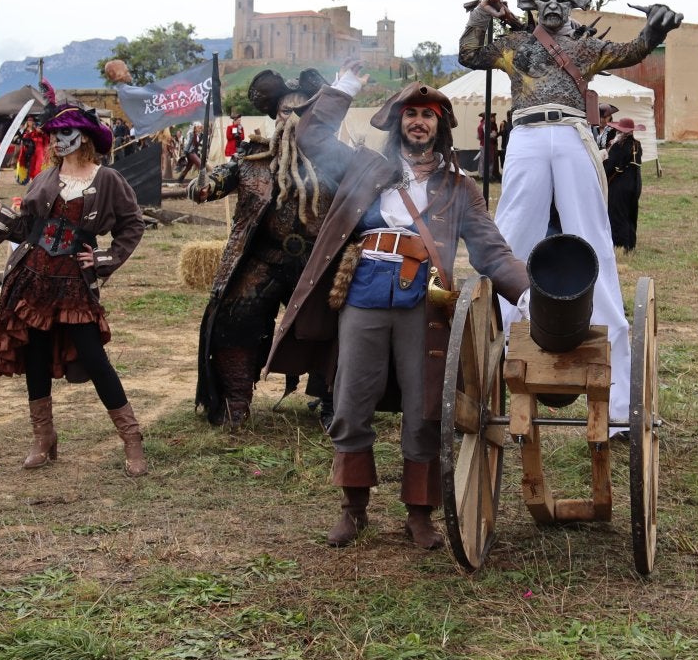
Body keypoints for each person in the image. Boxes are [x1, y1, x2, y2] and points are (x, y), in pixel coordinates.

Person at [261, 63, 529, 549]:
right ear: (397, 121)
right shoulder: (365, 166)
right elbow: (312, 134)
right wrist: (345, 86)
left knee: (424, 407)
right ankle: (353, 508)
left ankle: (419, 514)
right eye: (411, 113)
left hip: (423, 301)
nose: (419, 121)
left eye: (429, 115)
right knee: (349, 400)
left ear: (441, 127)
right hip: (361, 289)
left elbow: (492, 251)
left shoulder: (459, 188)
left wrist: (526, 292)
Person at [459, 0, 681, 431]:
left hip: (573, 132)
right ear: (531, 6)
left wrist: (655, 29)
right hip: (525, 135)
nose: (554, 7)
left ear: (575, 5)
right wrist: (482, 12)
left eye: (562, 0)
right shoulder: (514, 44)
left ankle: (620, 407)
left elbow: (632, 51)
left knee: (593, 240)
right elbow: (468, 54)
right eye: (544, 1)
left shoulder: (582, 49)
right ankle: (486, 362)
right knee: (508, 241)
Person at [0, 82, 148, 476]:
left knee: (94, 357)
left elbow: (132, 225)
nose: (56, 140)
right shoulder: (44, 178)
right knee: (35, 355)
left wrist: (104, 257)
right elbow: (24, 228)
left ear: (83, 137)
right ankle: (43, 438)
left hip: (73, 280)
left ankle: (132, 439)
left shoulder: (107, 179)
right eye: (52, 134)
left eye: (64, 133)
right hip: (33, 276)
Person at [188, 70, 330, 429]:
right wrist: (203, 185)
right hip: (264, 260)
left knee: (338, 324)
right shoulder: (253, 159)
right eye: (286, 111)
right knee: (234, 317)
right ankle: (235, 401)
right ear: (275, 116)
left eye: (303, 110)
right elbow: (219, 179)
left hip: (316, 264)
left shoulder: (336, 160)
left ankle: (333, 400)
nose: (294, 118)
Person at [603, 116, 645, 252]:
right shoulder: (637, 145)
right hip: (636, 182)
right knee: (631, 212)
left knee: (617, 212)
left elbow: (610, 167)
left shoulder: (618, 146)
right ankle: (630, 244)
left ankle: (620, 244)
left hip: (621, 184)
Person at [14, 115, 48, 183]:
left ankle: (38, 178)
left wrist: (41, 132)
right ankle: (30, 178)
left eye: (31, 121)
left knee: (39, 164)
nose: (30, 122)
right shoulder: (24, 130)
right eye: (29, 121)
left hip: (39, 149)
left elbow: (45, 138)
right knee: (30, 164)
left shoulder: (38, 130)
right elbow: (20, 138)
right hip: (29, 150)